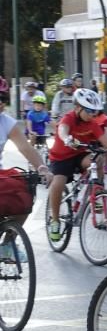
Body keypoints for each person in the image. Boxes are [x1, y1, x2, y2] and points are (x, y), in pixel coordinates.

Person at [46, 89, 107, 241]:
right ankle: (55, 219)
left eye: (95, 111)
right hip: (61, 157)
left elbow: (105, 140)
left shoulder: (92, 123)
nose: (92, 114)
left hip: (79, 155)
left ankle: (97, 194)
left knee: (97, 160)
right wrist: (66, 138)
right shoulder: (69, 118)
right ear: (78, 108)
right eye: (89, 110)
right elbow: (62, 130)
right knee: (58, 181)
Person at [0, 86, 49, 260]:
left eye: (2, 99)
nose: (0, 104)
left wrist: (42, 168)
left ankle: (8, 244)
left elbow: (26, 148)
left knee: (24, 195)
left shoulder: (6, 122)